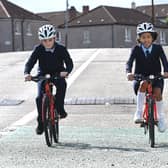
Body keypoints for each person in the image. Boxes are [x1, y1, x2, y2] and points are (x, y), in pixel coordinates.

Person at [24, 24, 73, 135]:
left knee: (62, 85)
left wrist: (67, 71)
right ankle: (41, 121)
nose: (47, 43)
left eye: (50, 40)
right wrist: (27, 73)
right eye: (44, 41)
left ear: (54, 38)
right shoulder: (38, 49)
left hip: (57, 72)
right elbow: (30, 62)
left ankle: (59, 108)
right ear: (41, 41)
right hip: (43, 73)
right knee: (39, 98)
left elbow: (69, 62)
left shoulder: (61, 49)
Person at [126, 22, 168, 132]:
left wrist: (166, 71)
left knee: (157, 92)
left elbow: (164, 60)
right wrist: (129, 72)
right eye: (143, 37)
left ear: (153, 37)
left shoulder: (158, 48)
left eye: (148, 37)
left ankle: (161, 118)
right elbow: (129, 62)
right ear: (139, 39)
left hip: (156, 77)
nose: (146, 39)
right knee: (143, 84)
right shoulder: (136, 49)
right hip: (140, 77)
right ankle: (139, 113)